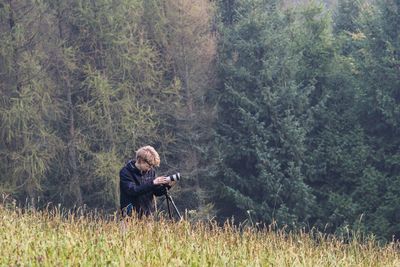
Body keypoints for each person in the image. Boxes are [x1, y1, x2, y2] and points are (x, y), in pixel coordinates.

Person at [119, 145, 170, 218]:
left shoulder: (151, 171)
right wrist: (153, 183)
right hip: (129, 216)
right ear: (141, 160)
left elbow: (156, 192)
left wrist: (168, 185)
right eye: (149, 165)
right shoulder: (125, 172)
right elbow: (133, 190)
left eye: (152, 166)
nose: (150, 168)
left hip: (147, 215)